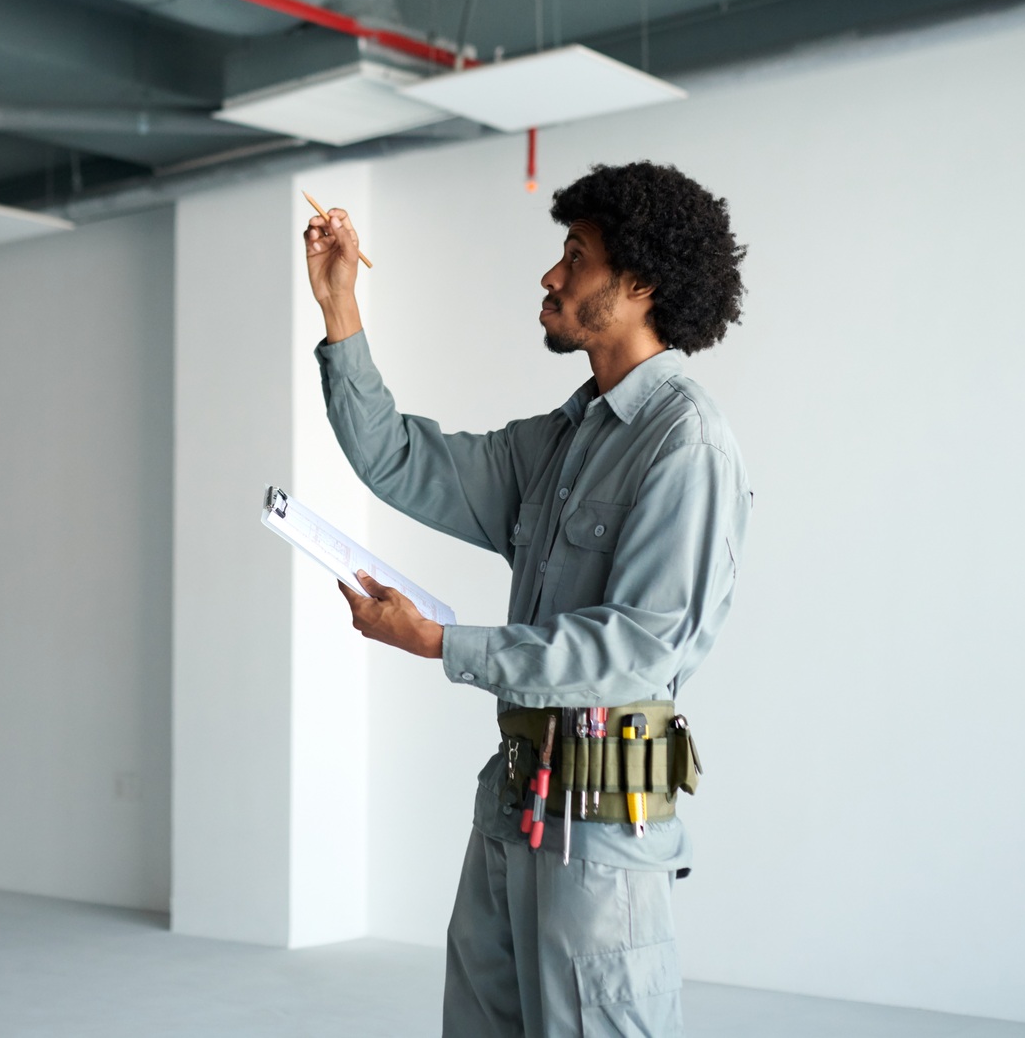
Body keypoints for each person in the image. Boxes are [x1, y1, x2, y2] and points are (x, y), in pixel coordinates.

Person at [302, 161, 750, 1038]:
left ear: (639, 285)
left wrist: (442, 642)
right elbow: (399, 457)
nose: (552, 276)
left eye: (575, 256)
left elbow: (635, 650)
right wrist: (339, 307)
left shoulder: (686, 443)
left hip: (600, 839)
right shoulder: (563, 438)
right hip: (511, 809)